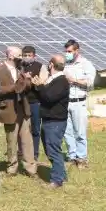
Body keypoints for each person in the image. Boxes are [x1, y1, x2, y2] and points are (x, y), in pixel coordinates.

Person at [0, 46, 37, 177]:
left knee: (27, 140)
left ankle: (31, 168)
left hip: (23, 108)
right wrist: (14, 87)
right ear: (11, 56)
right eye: (19, 55)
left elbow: (26, 86)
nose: (22, 58)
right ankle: (12, 167)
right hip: (9, 109)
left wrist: (27, 81)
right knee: (11, 141)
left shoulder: (20, 69)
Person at [33, 54, 70, 188]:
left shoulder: (61, 81)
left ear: (51, 65)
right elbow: (44, 96)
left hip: (55, 121)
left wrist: (40, 86)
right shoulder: (53, 80)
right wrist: (40, 87)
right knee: (50, 150)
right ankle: (61, 175)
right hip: (49, 119)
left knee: (53, 150)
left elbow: (49, 98)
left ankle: (56, 180)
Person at [63, 39, 96, 168]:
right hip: (66, 102)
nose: (67, 54)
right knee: (67, 131)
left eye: (69, 51)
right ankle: (72, 156)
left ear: (77, 50)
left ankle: (81, 158)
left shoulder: (85, 64)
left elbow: (90, 82)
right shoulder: (66, 64)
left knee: (80, 132)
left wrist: (74, 80)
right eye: (66, 51)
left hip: (79, 102)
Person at [21, 45, 47, 161]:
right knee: (23, 129)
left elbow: (42, 83)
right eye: (25, 55)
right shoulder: (19, 66)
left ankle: (35, 153)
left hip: (35, 102)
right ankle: (23, 152)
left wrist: (30, 80)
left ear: (34, 56)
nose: (27, 57)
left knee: (35, 129)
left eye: (29, 55)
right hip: (22, 102)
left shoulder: (40, 67)